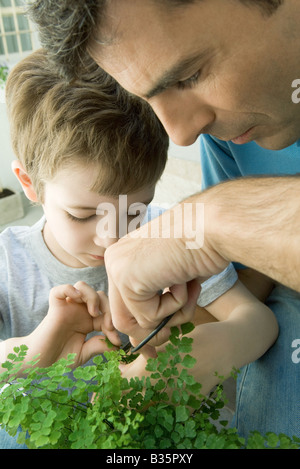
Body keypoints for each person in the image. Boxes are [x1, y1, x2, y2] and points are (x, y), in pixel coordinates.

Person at [28, 0, 300, 440]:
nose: (179, 134)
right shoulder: (232, 133)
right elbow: (254, 279)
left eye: (188, 75)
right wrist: (170, 363)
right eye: (148, 96)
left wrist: (210, 222)